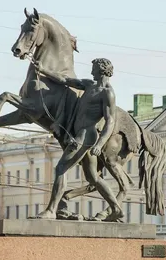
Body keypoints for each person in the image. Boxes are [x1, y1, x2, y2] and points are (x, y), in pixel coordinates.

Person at [34, 58, 124, 221]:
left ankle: (51, 210)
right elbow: (66, 80)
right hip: (80, 135)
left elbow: (110, 121)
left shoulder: (107, 92)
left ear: (102, 70)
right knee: (93, 178)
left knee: (61, 168)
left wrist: (100, 143)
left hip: (86, 136)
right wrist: (43, 70)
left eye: (94, 68)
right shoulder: (89, 85)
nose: (91, 71)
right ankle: (116, 209)